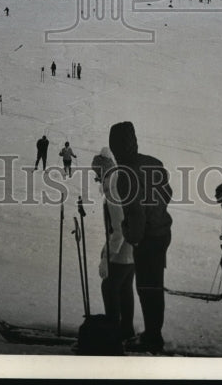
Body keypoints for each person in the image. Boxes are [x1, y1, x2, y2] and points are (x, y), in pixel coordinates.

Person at [108, 121, 172, 354]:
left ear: (116, 146)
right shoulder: (154, 162)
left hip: (147, 239)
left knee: (147, 288)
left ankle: (153, 337)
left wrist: (130, 234)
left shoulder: (125, 173)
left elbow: (134, 213)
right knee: (155, 285)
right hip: (163, 232)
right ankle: (153, 333)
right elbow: (168, 193)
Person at [92, 147, 135, 344]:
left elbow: (119, 229)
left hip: (122, 252)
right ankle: (125, 330)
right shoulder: (117, 185)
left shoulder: (113, 192)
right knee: (124, 288)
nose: (95, 178)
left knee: (109, 287)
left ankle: (114, 331)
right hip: (131, 251)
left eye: (97, 173)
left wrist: (107, 258)